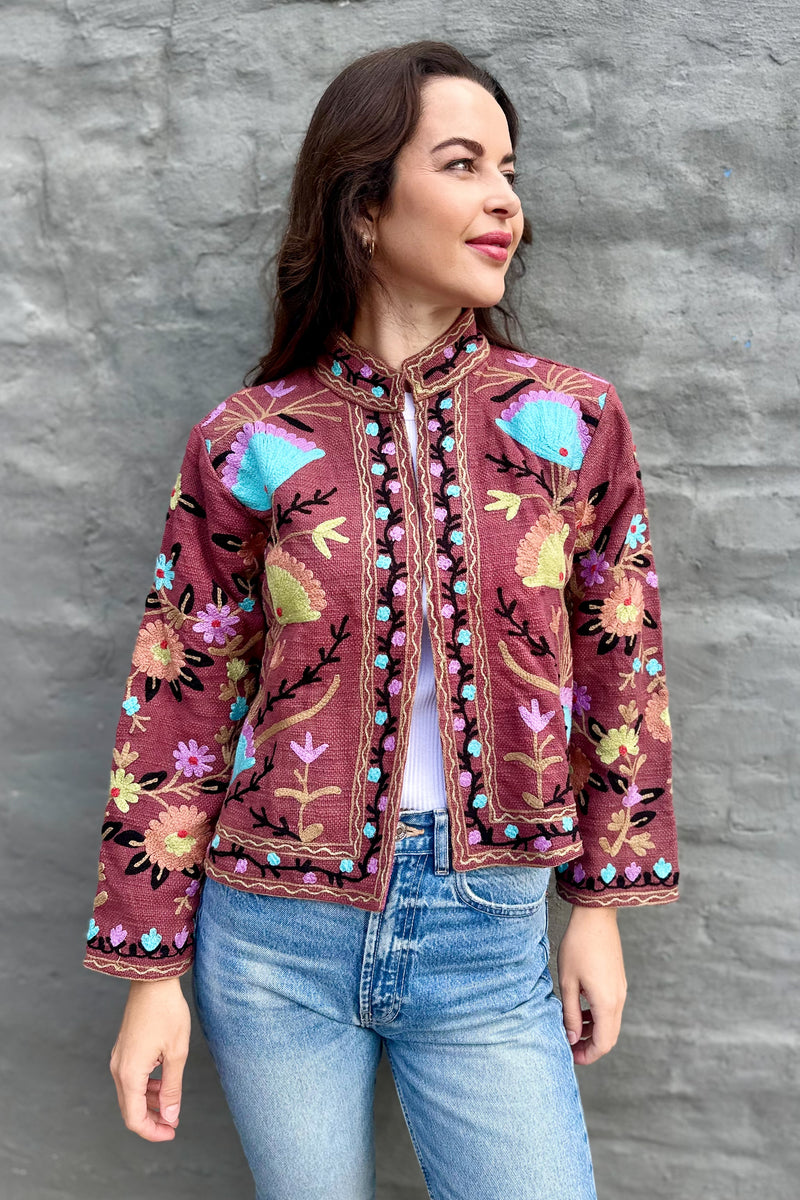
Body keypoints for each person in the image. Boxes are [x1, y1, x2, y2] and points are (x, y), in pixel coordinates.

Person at [83, 40, 679, 1200]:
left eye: (508, 170)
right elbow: (178, 693)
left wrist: (597, 907)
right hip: (271, 935)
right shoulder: (249, 440)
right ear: (363, 205)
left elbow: (622, 665)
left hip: (486, 934)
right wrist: (152, 969)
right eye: (461, 164)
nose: (502, 199)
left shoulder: (569, 421)